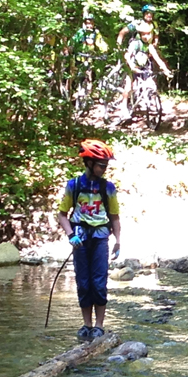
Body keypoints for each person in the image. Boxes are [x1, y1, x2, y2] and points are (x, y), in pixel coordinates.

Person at [56, 140, 121, 340]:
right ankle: (87, 324)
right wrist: (71, 235)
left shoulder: (108, 188)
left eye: (106, 165)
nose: (104, 169)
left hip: (101, 238)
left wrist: (118, 241)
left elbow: (114, 216)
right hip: (80, 239)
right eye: (101, 165)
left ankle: (99, 325)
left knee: (99, 283)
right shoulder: (74, 185)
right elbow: (62, 215)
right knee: (83, 283)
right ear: (89, 163)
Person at [118, 22, 171, 121]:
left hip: (143, 68)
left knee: (151, 86)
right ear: (140, 35)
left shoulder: (149, 46)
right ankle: (123, 108)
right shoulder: (135, 44)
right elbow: (127, 55)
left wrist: (165, 70)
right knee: (128, 87)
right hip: (132, 67)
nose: (146, 37)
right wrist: (131, 66)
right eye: (143, 34)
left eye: (148, 34)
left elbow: (157, 59)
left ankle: (150, 103)